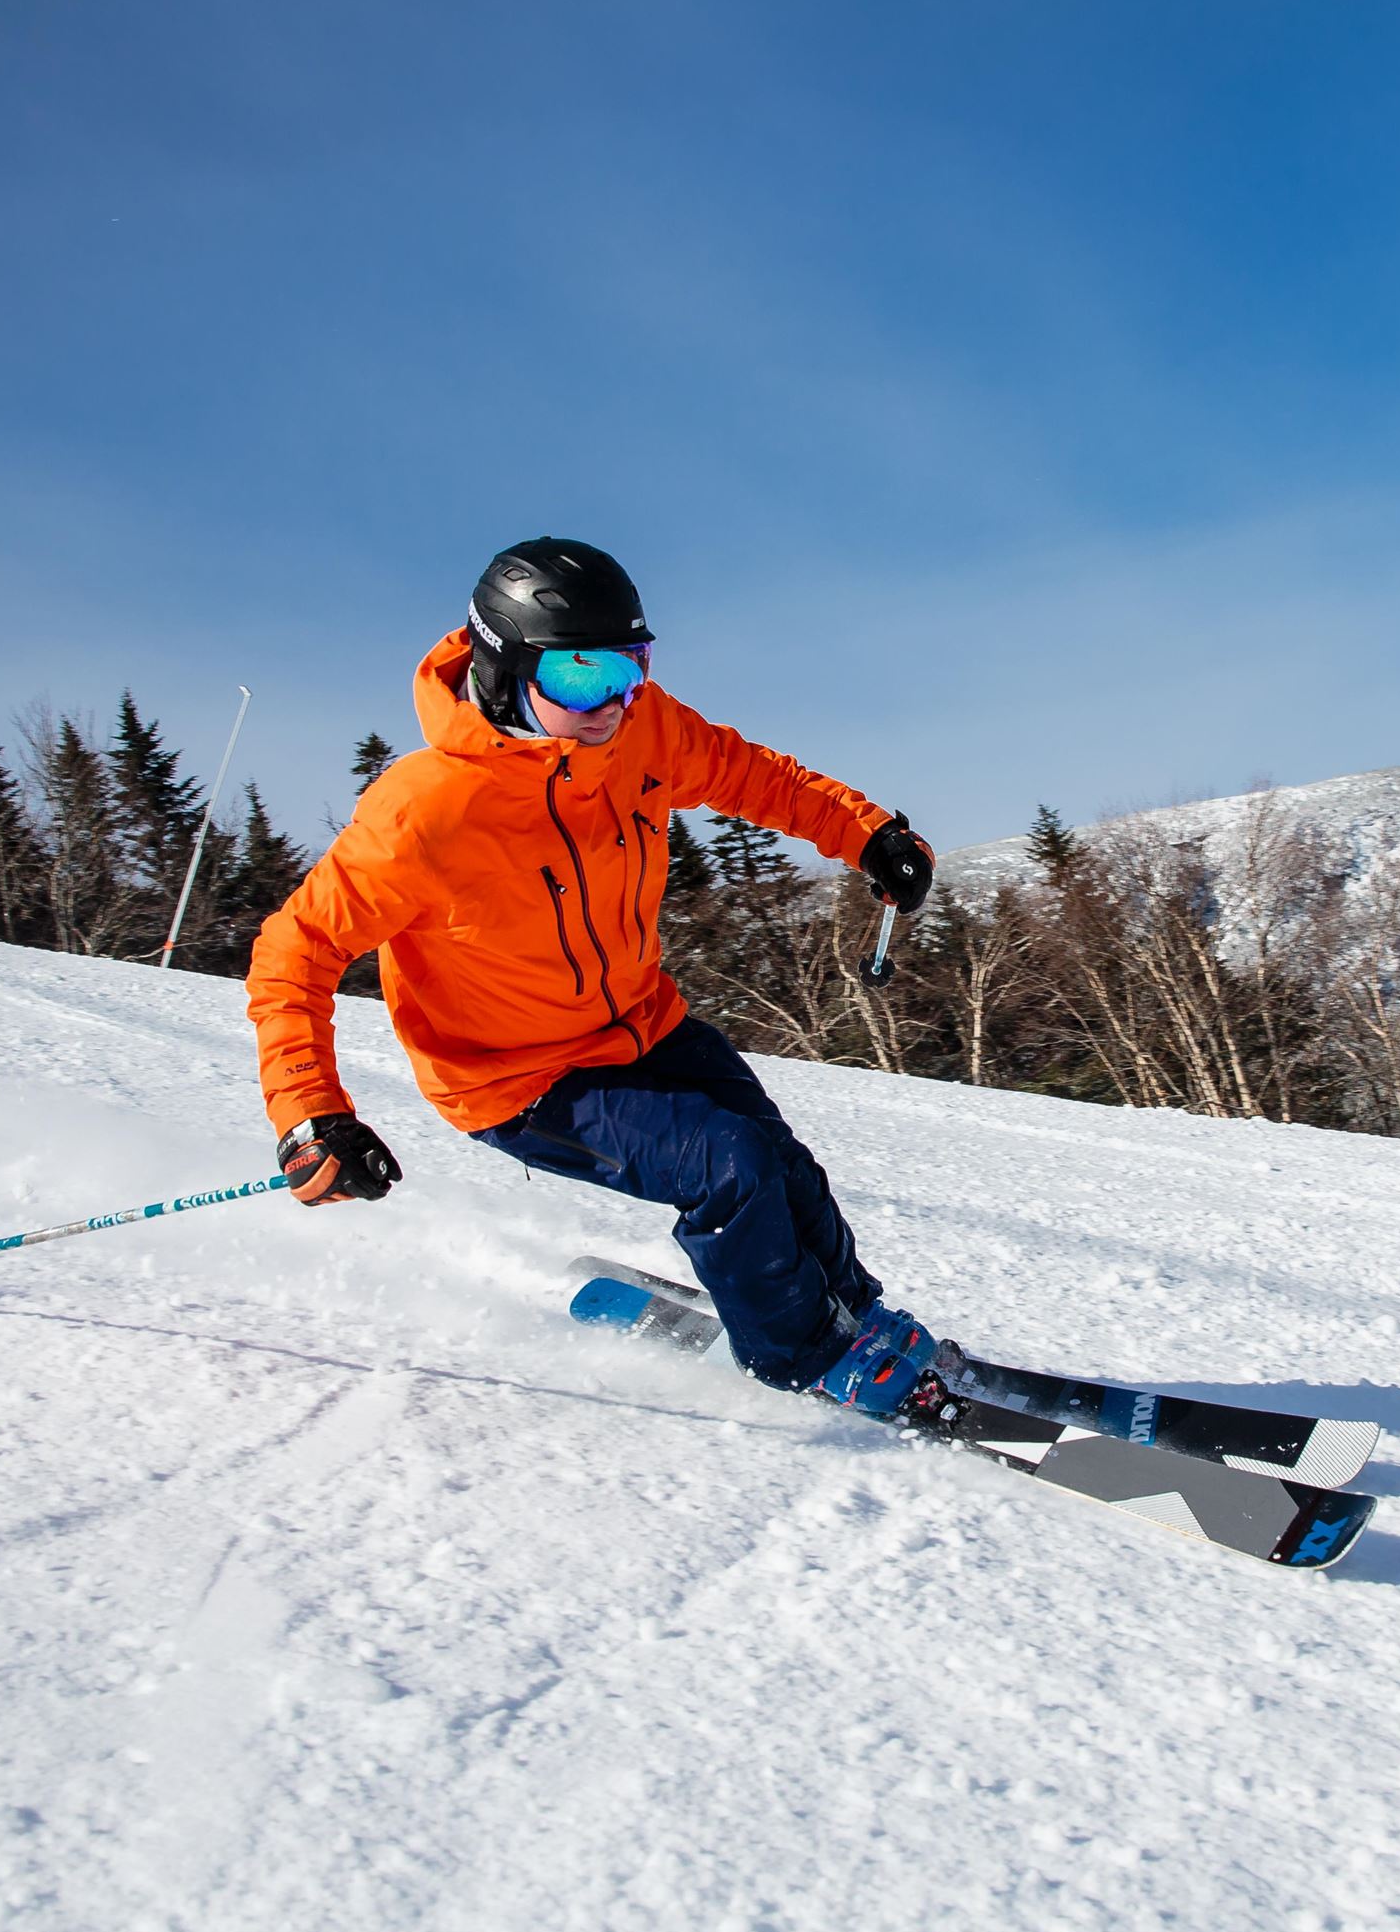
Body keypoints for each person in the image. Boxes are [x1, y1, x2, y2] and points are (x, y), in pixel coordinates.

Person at [245, 537, 942, 1414]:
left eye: (631, 669)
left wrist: (865, 833)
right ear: (502, 672)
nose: (611, 702)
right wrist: (310, 1114)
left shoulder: (637, 729)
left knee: (774, 1150)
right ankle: (799, 1361)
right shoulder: (425, 813)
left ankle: (851, 1313)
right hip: (519, 1076)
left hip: (642, 1020)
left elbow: (748, 773)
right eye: (579, 678)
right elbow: (293, 950)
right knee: (729, 1166)